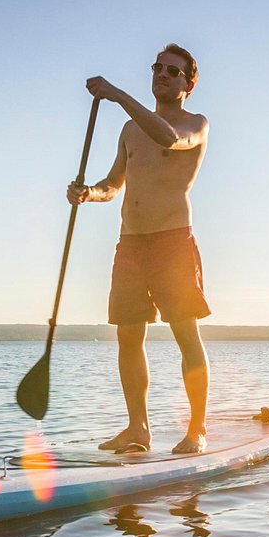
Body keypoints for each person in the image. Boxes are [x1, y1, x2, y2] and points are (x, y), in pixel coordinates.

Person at [67, 44, 211, 455]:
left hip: (173, 241)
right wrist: (88, 193)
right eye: (158, 68)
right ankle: (138, 429)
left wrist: (117, 95)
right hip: (130, 244)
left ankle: (197, 429)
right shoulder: (130, 131)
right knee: (128, 336)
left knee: (186, 333)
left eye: (173, 71)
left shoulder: (196, 124)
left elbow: (167, 136)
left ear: (189, 83)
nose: (163, 75)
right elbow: (114, 185)